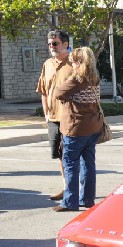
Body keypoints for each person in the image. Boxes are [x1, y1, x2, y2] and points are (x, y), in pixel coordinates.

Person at [51, 47, 104, 212]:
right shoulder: (94, 77)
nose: (71, 65)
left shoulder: (77, 79)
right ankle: (87, 200)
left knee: (70, 163)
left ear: (80, 62)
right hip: (93, 126)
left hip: (76, 128)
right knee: (88, 164)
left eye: (73, 62)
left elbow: (58, 92)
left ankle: (69, 202)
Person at [36, 30, 73, 201]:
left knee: (72, 155)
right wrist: (46, 113)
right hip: (53, 118)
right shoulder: (48, 64)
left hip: (72, 118)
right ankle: (67, 188)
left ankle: (76, 190)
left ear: (65, 44)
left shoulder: (75, 63)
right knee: (60, 155)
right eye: (49, 44)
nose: (52, 46)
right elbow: (43, 90)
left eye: (55, 43)